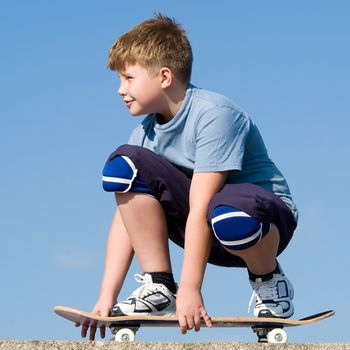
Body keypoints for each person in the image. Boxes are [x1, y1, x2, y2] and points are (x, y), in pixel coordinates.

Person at [77, 13, 298, 340]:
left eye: (128, 78)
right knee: (124, 163)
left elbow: (201, 205)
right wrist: (105, 298)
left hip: (263, 221)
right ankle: (160, 285)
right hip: (205, 228)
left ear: (164, 76)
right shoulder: (145, 132)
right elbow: (126, 218)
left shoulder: (214, 115)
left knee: (225, 210)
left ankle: (269, 281)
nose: (120, 90)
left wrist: (192, 290)